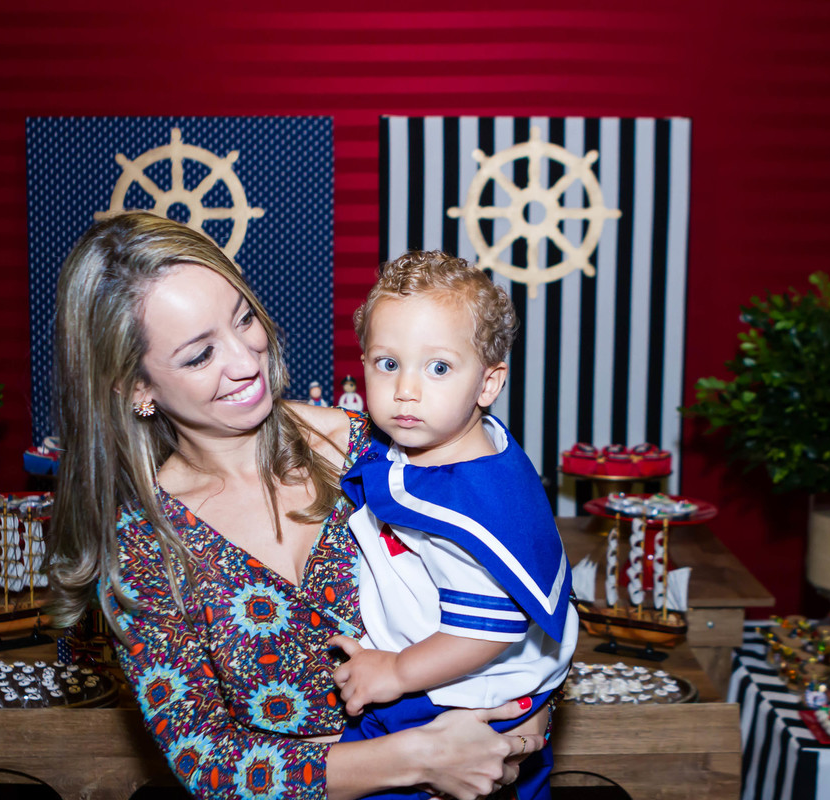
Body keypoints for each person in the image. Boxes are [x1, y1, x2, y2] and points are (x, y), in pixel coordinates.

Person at [48, 214, 545, 800]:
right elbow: (208, 762)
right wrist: (418, 758)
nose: (245, 360)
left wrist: (523, 720)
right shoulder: (140, 542)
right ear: (136, 387)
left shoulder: (382, 447)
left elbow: (524, 581)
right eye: (199, 355)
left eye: (243, 319)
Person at [331, 251, 578, 800]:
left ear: (488, 384)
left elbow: (487, 629)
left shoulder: (468, 505)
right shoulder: (462, 443)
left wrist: (393, 671)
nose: (406, 391)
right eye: (387, 362)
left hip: (453, 700)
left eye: (438, 367)